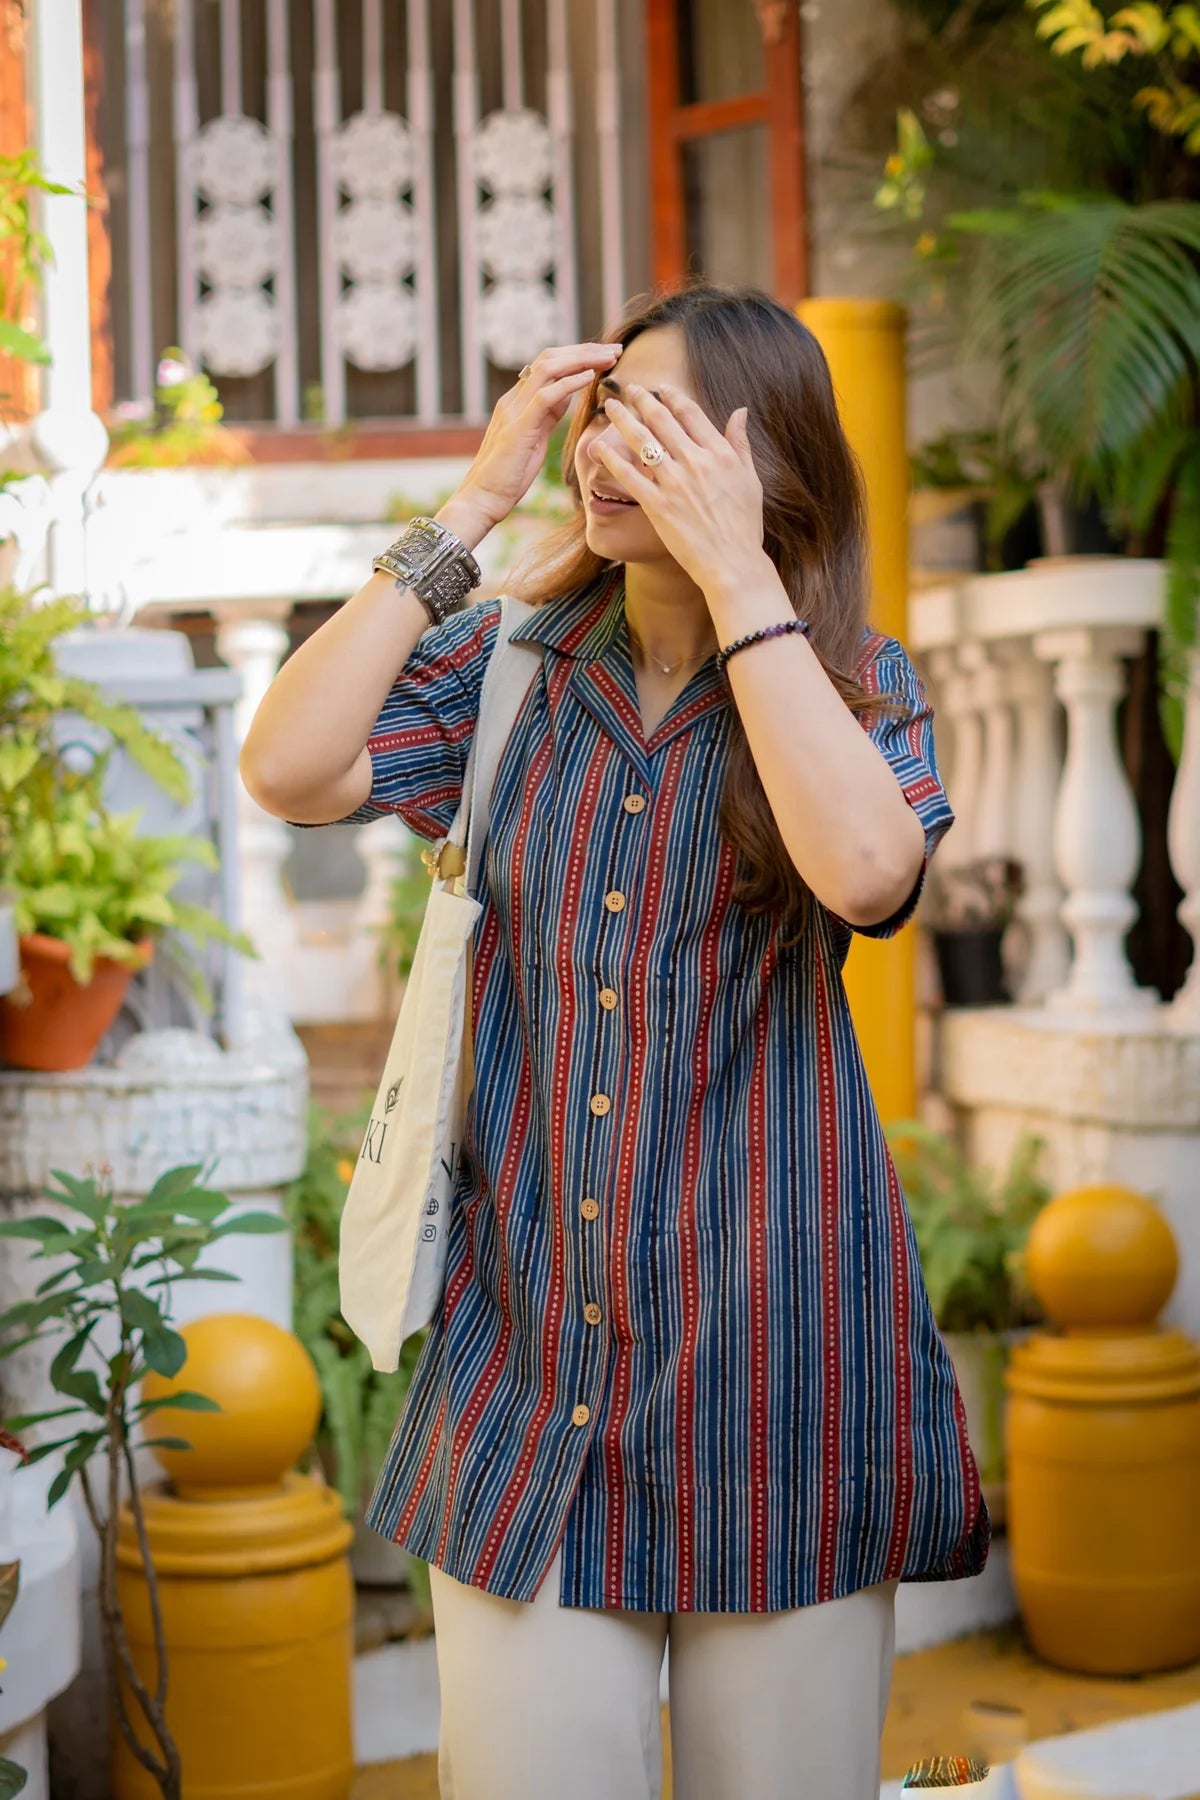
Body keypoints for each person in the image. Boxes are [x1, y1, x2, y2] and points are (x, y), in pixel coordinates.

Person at [241, 283, 990, 1800]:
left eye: (665, 425)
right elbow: (288, 766)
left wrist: (735, 578)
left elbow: (866, 873)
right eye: (606, 409)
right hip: (526, 1378)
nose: (611, 450)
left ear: (761, 461)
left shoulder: (852, 687)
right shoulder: (511, 670)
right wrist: (472, 501)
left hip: (780, 1391)